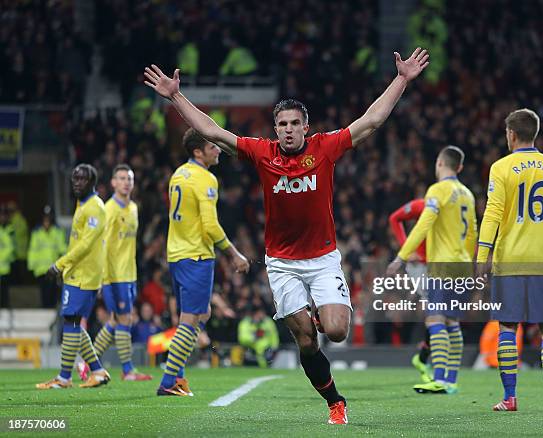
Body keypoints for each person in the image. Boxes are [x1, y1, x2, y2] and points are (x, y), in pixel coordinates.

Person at [144, 46, 429, 423]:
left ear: (305, 127)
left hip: (323, 259)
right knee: (306, 341)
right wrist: (176, 96)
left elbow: (371, 121)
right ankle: (335, 402)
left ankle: (318, 317)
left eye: (295, 123)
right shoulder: (262, 154)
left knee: (337, 331)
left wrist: (401, 79)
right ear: (274, 129)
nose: (289, 130)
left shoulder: (325, 148)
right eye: (282, 125)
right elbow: (212, 131)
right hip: (282, 264)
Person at [476, 108, 543, 412]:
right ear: (535, 133)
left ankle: (509, 397)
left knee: (507, 328)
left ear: (511, 134)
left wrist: (482, 254)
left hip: (510, 261)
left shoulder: (501, 168)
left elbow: (492, 213)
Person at [157, 128, 250, 396]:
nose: (218, 149)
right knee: (191, 319)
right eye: (212, 147)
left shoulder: (178, 174)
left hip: (176, 255)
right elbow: (209, 225)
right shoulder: (206, 179)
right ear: (198, 152)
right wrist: (234, 253)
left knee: (202, 313)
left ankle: (179, 377)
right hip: (197, 256)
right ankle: (168, 382)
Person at [387, 146, 477, 395]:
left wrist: (402, 256)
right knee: (452, 322)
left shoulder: (438, 190)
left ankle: (438, 378)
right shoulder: (467, 194)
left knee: (435, 319)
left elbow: (424, 222)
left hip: (443, 264)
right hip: (463, 264)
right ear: (459, 167)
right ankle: (451, 380)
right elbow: (473, 233)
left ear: (439, 163)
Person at [36, 164, 111, 389]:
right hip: (77, 273)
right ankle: (97, 371)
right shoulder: (83, 204)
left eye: (82, 179)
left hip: (84, 275)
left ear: (92, 183)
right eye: (75, 179)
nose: (77, 182)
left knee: (71, 321)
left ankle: (64, 377)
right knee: (74, 322)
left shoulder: (96, 207)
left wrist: (60, 265)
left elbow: (86, 245)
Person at [88, 164, 152, 381]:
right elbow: (101, 244)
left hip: (129, 274)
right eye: (121, 178)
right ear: (113, 183)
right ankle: (128, 370)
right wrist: (101, 278)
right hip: (113, 276)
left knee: (117, 319)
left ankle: (89, 365)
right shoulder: (109, 210)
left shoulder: (133, 208)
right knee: (125, 318)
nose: (126, 182)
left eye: (129, 179)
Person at [388, 199, 432, 383]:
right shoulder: (422, 205)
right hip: (421, 265)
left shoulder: (452, 205)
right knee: (438, 312)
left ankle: (423, 357)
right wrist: (406, 248)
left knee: (440, 313)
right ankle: (428, 361)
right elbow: (395, 218)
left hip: (440, 261)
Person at [27, 206, 67, 308]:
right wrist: (31, 267)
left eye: (48, 219)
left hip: (53, 269)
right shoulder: (36, 233)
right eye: (45, 219)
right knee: (43, 292)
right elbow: (33, 250)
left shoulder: (57, 232)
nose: (46, 221)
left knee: (52, 292)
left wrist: (63, 266)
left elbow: (62, 249)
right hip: (40, 269)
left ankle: (51, 309)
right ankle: (46, 308)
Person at [7, 200, 29, 284]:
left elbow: (19, 233)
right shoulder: (18, 219)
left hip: (19, 251)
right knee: (19, 272)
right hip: (17, 251)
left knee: (19, 272)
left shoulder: (16, 220)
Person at [0, 205, 14, 308]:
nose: (2, 217)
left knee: (4, 292)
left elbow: (10, 247)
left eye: (4, 215)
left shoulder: (10, 229)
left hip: (5, 267)